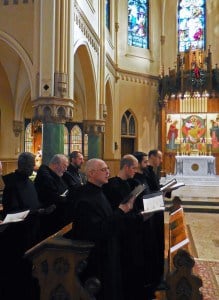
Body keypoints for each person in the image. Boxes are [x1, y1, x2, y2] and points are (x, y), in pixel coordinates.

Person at [69, 158, 135, 300]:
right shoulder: (85, 199)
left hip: (108, 251)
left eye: (108, 169)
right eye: (104, 170)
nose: (108, 172)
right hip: (98, 259)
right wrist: (121, 211)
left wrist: (120, 211)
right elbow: (99, 229)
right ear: (91, 173)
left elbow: (106, 219)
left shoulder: (98, 192)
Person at [144, 149, 166, 291]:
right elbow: (148, 193)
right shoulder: (147, 172)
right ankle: (154, 280)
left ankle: (157, 276)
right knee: (153, 243)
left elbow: (154, 189)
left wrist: (164, 190)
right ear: (151, 157)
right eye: (159, 157)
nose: (161, 160)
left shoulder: (152, 171)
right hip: (152, 211)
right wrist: (159, 193)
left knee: (158, 242)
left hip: (156, 209)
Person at [34, 154, 71, 238]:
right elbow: (53, 197)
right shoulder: (46, 178)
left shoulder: (56, 176)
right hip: (50, 221)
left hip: (58, 217)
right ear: (55, 164)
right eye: (64, 166)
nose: (66, 169)